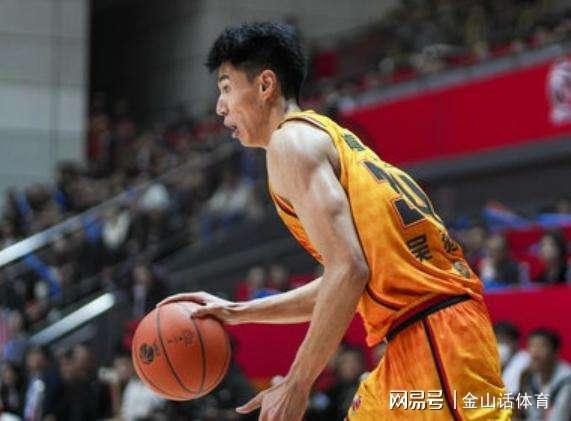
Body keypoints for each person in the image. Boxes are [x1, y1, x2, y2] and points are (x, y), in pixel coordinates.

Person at [160, 22, 508, 420]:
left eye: (225, 88)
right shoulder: (327, 136)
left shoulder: (289, 144)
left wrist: (297, 383)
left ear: (265, 84)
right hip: (424, 334)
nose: (219, 107)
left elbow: (348, 270)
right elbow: (344, 281)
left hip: (435, 336)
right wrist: (237, 311)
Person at [518, 329, 571, 421]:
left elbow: (559, 417)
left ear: (555, 352)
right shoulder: (530, 377)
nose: (535, 354)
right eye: (532, 346)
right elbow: (533, 416)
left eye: (541, 347)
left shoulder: (567, 380)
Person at [493, 321, 530, 394]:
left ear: (515, 342)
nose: (499, 346)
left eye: (503, 341)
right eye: (496, 341)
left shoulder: (525, 360)